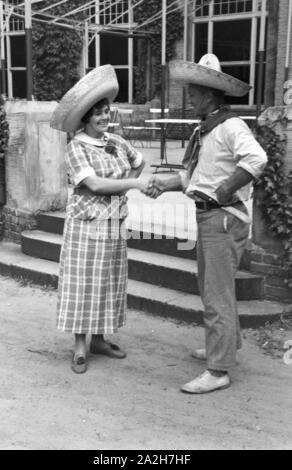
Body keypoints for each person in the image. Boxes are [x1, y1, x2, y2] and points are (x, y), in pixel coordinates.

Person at [146, 54, 267, 394]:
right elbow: (196, 177)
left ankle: (219, 369)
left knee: (216, 292)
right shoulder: (210, 127)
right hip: (212, 216)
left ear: (212, 95)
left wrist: (226, 188)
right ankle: (227, 347)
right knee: (213, 286)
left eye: (196, 92)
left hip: (223, 217)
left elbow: (257, 159)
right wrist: (165, 184)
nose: (191, 97)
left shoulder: (229, 126)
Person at [51, 65, 148, 373]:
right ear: (85, 118)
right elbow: (94, 184)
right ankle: (80, 344)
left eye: (106, 112)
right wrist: (131, 185)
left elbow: (139, 161)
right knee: (84, 283)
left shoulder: (116, 141)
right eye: (97, 114)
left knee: (108, 281)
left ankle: (100, 340)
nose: (104, 118)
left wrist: (124, 193)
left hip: (113, 224)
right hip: (86, 226)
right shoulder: (76, 147)